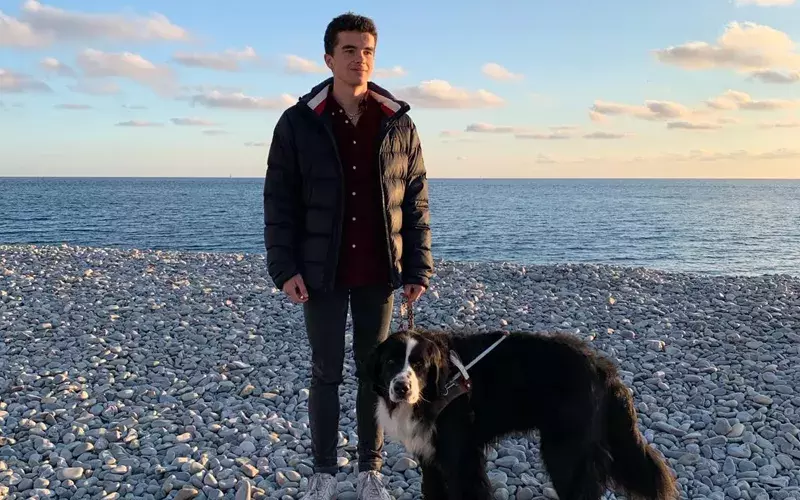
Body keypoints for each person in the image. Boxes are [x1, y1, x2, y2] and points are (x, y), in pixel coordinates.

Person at [262, 11, 433, 500]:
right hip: (321, 273)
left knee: (373, 371)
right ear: (328, 57)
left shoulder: (398, 122)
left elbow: (416, 200)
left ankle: (369, 470)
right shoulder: (298, 123)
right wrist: (285, 269)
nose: (360, 59)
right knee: (325, 371)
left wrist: (417, 267)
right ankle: (322, 472)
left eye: (368, 51)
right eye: (349, 50)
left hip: (379, 272)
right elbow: (279, 200)